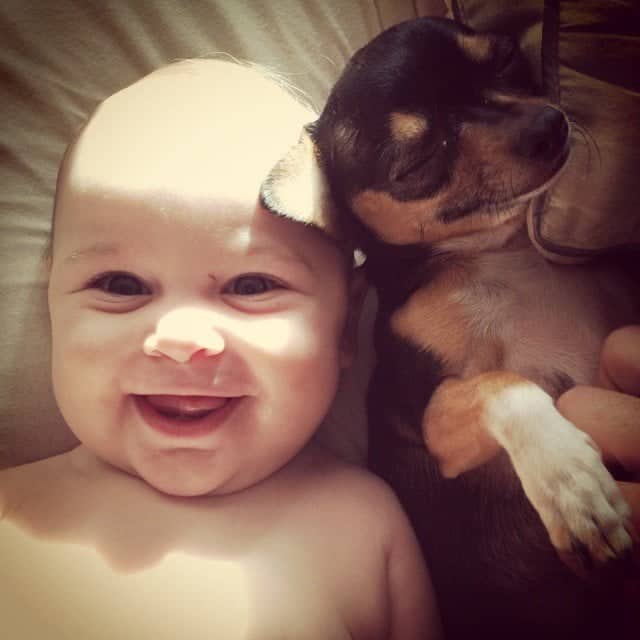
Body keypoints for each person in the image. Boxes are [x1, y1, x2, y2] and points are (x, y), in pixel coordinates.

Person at [0, 59, 442, 640]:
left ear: (345, 324)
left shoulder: (362, 523)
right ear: (51, 301)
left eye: (252, 286)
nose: (181, 343)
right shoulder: (11, 509)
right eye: (121, 286)